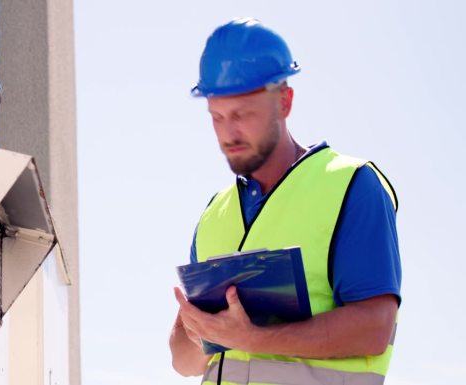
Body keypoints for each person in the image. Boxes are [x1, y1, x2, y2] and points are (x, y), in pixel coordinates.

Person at [169, 17, 401, 385]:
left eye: (243, 114)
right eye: (217, 117)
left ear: (285, 102)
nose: (229, 133)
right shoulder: (215, 214)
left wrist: (253, 338)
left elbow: (374, 328)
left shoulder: (351, 186)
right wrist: (195, 330)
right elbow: (184, 363)